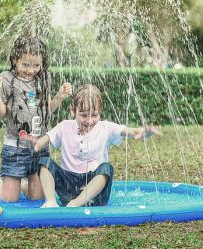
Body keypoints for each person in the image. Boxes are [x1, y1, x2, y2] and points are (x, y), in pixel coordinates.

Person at [26, 84, 162, 207]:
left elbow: (129, 131)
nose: (89, 121)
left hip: (95, 195)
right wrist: (35, 144)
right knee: (44, 162)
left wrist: (142, 132)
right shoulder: (64, 126)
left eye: (94, 115)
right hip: (68, 188)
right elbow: (43, 140)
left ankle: (76, 203)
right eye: (84, 115)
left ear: (100, 112)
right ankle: (51, 201)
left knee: (106, 169)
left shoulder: (106, 128)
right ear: (73, 110)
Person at [0, 36, 72, 202]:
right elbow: (1, 114)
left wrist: (59, 97)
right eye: (26, 65)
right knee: (9, 200)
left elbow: (46, 110)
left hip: (38, 145)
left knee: (37, 198)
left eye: (36, 65)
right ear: (15, 59)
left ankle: (21, 186)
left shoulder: (44, 78)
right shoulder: (7, 79)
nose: (31, 70)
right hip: (15, 147)